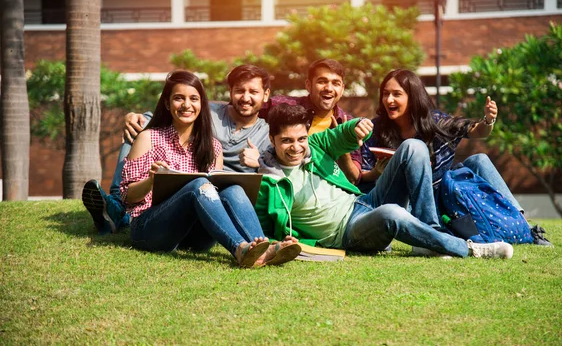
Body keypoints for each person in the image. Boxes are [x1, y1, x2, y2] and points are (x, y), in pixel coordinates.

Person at [254, 103, 514, 259]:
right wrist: (294, 245)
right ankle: (470, 249)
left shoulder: (315, 145)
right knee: (392, 212)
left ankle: (429, 233)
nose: (297, 147)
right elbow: (267, 230)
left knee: (412, 146)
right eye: (287, 141)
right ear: (273, 138)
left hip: (362, 203)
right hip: (347, 234)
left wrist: (358, 125)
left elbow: (342, 134)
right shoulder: (268, 184)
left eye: (300, 139)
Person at [120, 70, 299, 267]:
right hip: (150, 230)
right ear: (167, 103)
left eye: (194, 99)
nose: (187, 105)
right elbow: (128, 197)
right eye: (179, 98)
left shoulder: (213, 146)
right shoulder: (149, 138)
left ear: (201, 104)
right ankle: (240, 249)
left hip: (194, 237)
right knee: (198, 184)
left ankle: (263, 246)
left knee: (233, 188)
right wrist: (151, 181)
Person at [358, 69, 551, 246]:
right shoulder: (376, 130)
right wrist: (377, 172)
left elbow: (476, 131)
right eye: (385, 93)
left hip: (441, 195)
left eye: (396, 94)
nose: (389, 100)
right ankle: (431, 231)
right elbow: (364, 179)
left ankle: (523, 225)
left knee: (479, 160)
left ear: (413, 97)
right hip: (405, 202)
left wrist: (489, 120)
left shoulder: (435, 122)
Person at [82, 65, 273, 234]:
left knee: (228, 191)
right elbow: (162, 116)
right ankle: (117, 204)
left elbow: (284, 170)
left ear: (265, 94)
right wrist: (133, 117)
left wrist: (260, 163)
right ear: (230, 92)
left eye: (253, 92)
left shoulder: (268, 133)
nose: (245, 98)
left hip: (222, 195)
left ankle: (258, 244)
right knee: (138, 130)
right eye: (239, 91)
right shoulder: (208, 111)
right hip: (185, 187)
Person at [258, 58, 362, 184]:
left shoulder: (347, 124)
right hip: (279, 183)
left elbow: (354, 178)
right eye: (322, 81)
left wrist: (341, 143)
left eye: (336, 83)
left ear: (342, 89)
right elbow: (244, 109)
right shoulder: (282, 106)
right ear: (308, 85)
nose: (329, 88)